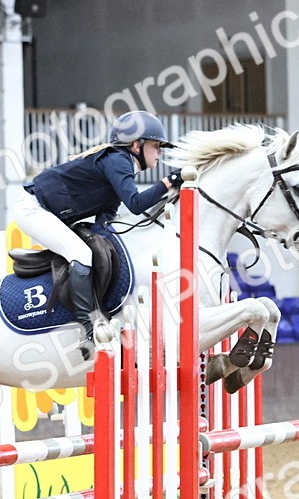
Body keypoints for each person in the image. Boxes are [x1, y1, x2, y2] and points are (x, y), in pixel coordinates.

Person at [17, 110, 184, 359]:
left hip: (46, 211)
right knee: (80, 252)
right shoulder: (118, 160)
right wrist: (169, 181)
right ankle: (89, 328)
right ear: (137, 145)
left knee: (97, 248)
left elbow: (106, 220)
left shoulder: (122, 167)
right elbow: (136, 204)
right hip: (32, 209)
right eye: (156, 145)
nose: (160, 152)